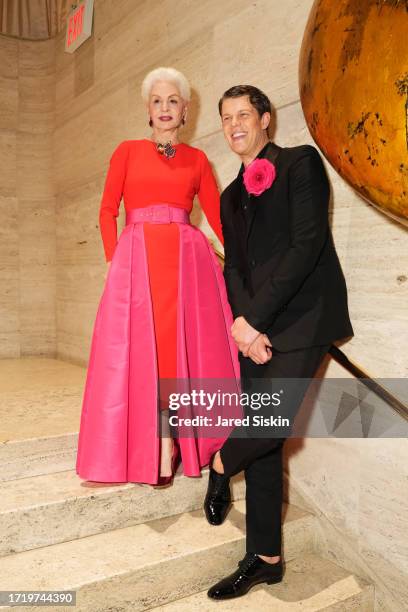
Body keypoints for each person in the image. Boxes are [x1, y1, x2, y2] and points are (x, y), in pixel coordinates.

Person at [204, 85, 354, 600]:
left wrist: (256, 319)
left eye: (243, 114)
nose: (234, 125)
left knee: (270, 421)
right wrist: (244, 326)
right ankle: (264, 557)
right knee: (266, 445)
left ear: (266, 119)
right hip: (256, 328)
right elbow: (237, 268)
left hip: (304, 317)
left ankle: (221, 462)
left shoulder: (298, 164)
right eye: (225, 118)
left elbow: (306, 245)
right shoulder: (228, 196)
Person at [76, 67, 239, 487]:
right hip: (138, 263)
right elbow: (107, 209)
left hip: (186, 266)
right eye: (157, 101)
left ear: (185, 110)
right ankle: (156, 443)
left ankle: (171, 440)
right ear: (148, 110)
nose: (165, 109)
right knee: (140, 356)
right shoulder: (127, 151)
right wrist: (117, 262)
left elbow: (220, 220)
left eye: (172, 101)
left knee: (175, 353)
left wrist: (244, 262)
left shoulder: (198, 160)